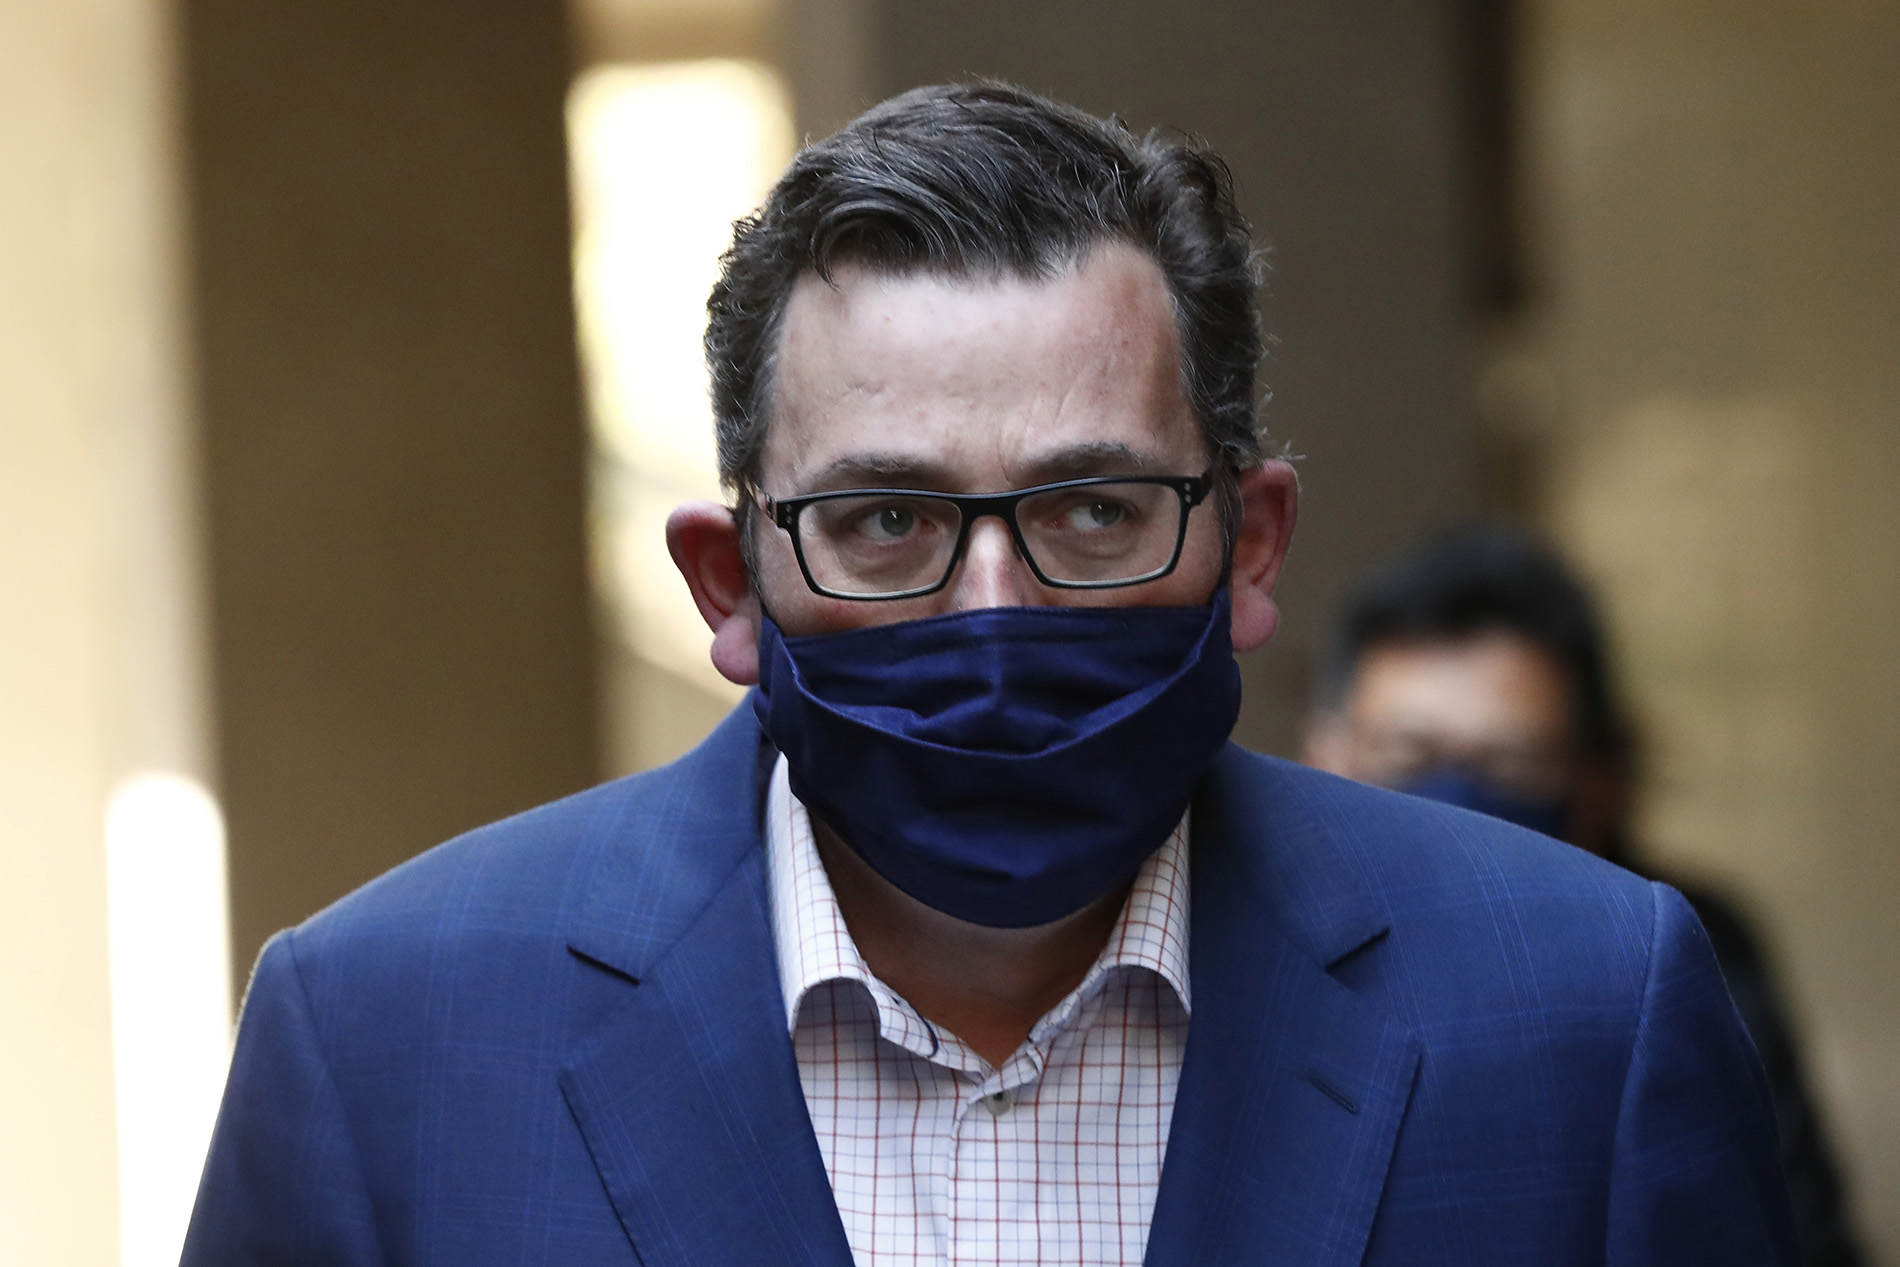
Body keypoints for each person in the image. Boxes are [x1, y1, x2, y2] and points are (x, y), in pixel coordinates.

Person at [183, 83, 1795, 1265]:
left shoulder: (1584, 1006)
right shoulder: (382, 1040)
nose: (995, 605)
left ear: (1250, 543)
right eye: (887, 519)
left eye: (1094, 508)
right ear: (729, 582)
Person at [1303, 524, 1864, 1267]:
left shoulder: (1684, 952)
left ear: (1599, 781)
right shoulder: (1259, 947)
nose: (1458, 806)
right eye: (1412, 755)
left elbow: (1793, 1232)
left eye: (1511, 763)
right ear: (1325, 754)